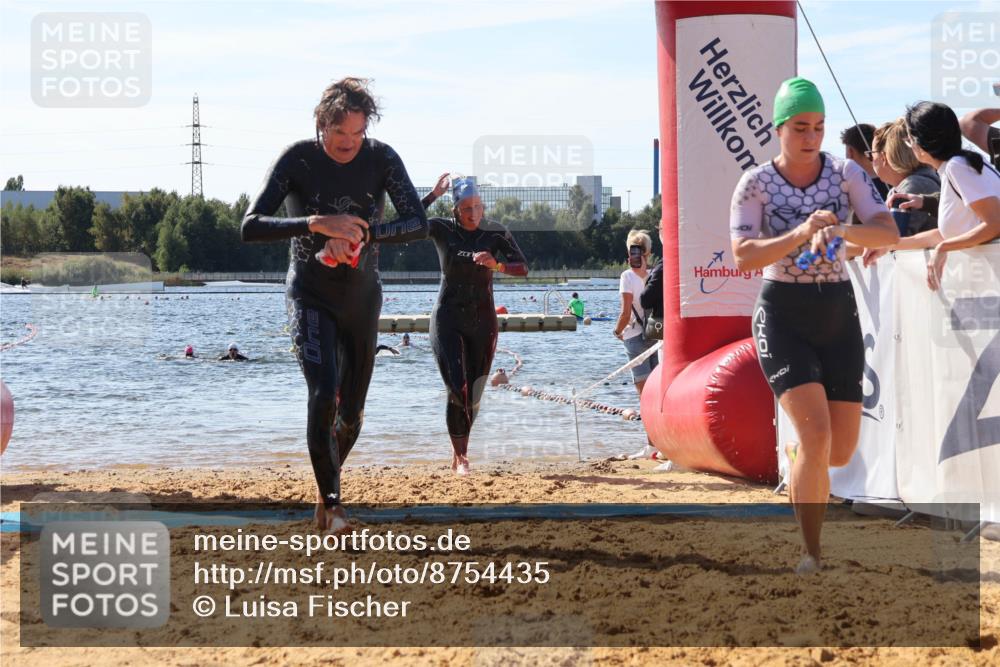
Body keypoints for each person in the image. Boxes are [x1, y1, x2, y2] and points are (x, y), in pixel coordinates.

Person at [241, 77, 428, 532]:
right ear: (320, 125)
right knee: (323, 394)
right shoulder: (297, 160)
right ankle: (334, 506)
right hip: (309, 294)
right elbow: (250, 226)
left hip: (362, 298)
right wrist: (316, 224)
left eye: (356, 134)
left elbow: (418, 222)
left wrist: (367, 232)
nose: (347, 143)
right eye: (338, 134)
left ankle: (325, 497)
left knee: (352, 413)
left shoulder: (381, 158)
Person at [730, 77, 898, 574]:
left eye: (819, 127)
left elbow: (886, 231)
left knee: (839, 452)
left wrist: (843, 230)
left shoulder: (845, 172)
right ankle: (811, 553)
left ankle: (801, 453)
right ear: (779, 129)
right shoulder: (756, 183)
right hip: (783, 313)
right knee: (819, 434)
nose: (811, 136)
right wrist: (801, 231)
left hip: (837, 310)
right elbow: (743, 255)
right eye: (800, 127)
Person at [420, 177, 528, 474]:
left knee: (475, 393)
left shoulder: (495, 232)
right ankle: (462, 456)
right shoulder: (442, 228)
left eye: (478, 206)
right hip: (447, 318)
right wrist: (432, 195)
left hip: (483, 320)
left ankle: (459, 449)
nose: (473, 213)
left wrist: (498, 265)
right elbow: (408, 224)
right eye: (466, 208)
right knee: (457, 387)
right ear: (455, 209)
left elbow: (523, 267)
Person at [864, 102, 1000, 290]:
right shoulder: (958, 165)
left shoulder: (956, 167)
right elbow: (945, 234)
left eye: (909, 140)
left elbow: (994, 223)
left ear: (920, 143)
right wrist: (889, 245)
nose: (909, 145)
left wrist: (944, 248)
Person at [614, 230, 659, 460]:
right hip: (654, 335)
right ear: (648, 252)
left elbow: (625, 313)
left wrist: (617, 331)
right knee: (657, 392)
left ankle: (651, 446)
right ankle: (661, 443)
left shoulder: (627, 276)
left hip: (633, 337)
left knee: (644, 396)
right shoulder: (654, 273)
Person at [870, 120, 940, 236]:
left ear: (884, 157)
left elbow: (893, 240)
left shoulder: (914, 185)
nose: (871, 160)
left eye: (871, 155)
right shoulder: (918, 182)